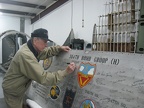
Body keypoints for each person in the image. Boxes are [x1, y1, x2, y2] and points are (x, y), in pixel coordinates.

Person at [2, 28, 76, 108]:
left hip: (18, 88)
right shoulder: (26, 55)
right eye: (44, 41)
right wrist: (65, 72)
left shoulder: (31, 48)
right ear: (35, 40)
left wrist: (59, 48)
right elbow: (44, 78)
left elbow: (46, 52)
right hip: (13, 92)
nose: (46, 44)